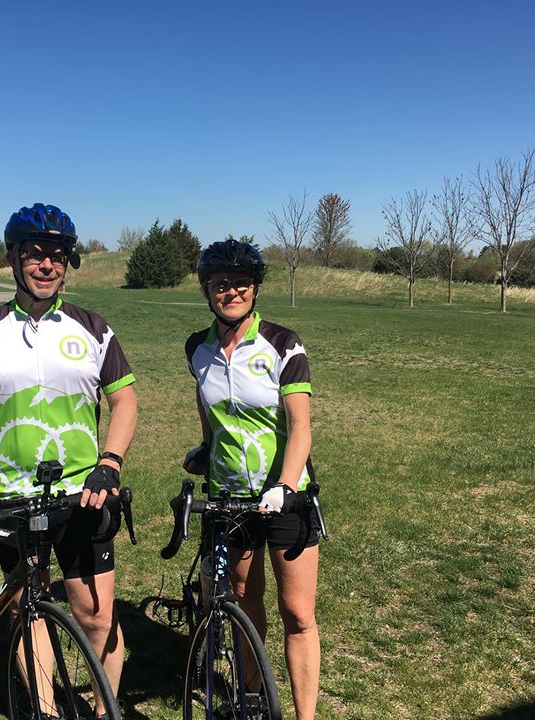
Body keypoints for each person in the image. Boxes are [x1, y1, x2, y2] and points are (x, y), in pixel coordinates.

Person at [0, 203, 138, 719]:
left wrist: (110, 462)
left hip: (82, 494)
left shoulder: (94, 328)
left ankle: (104, 712)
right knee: (27, 609)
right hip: (12, 495)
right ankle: (46, 711)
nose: (47, 265)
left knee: (96, 617)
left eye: (57, 255)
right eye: (35, 254)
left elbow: (125, 402)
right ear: (13, 258)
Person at [182, 238, 321, 720]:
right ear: (206, 290)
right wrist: (207, 445)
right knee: (243, 600)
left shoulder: (283, 344)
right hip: (228, 495)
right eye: (221, 284)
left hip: (286, 495)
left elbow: (300, 426)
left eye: (241, 283)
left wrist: (285, 485)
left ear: (255, 289)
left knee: (297, 613)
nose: (232, 292)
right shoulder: (197, 348)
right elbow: (208, 401)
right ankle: (252, 696)